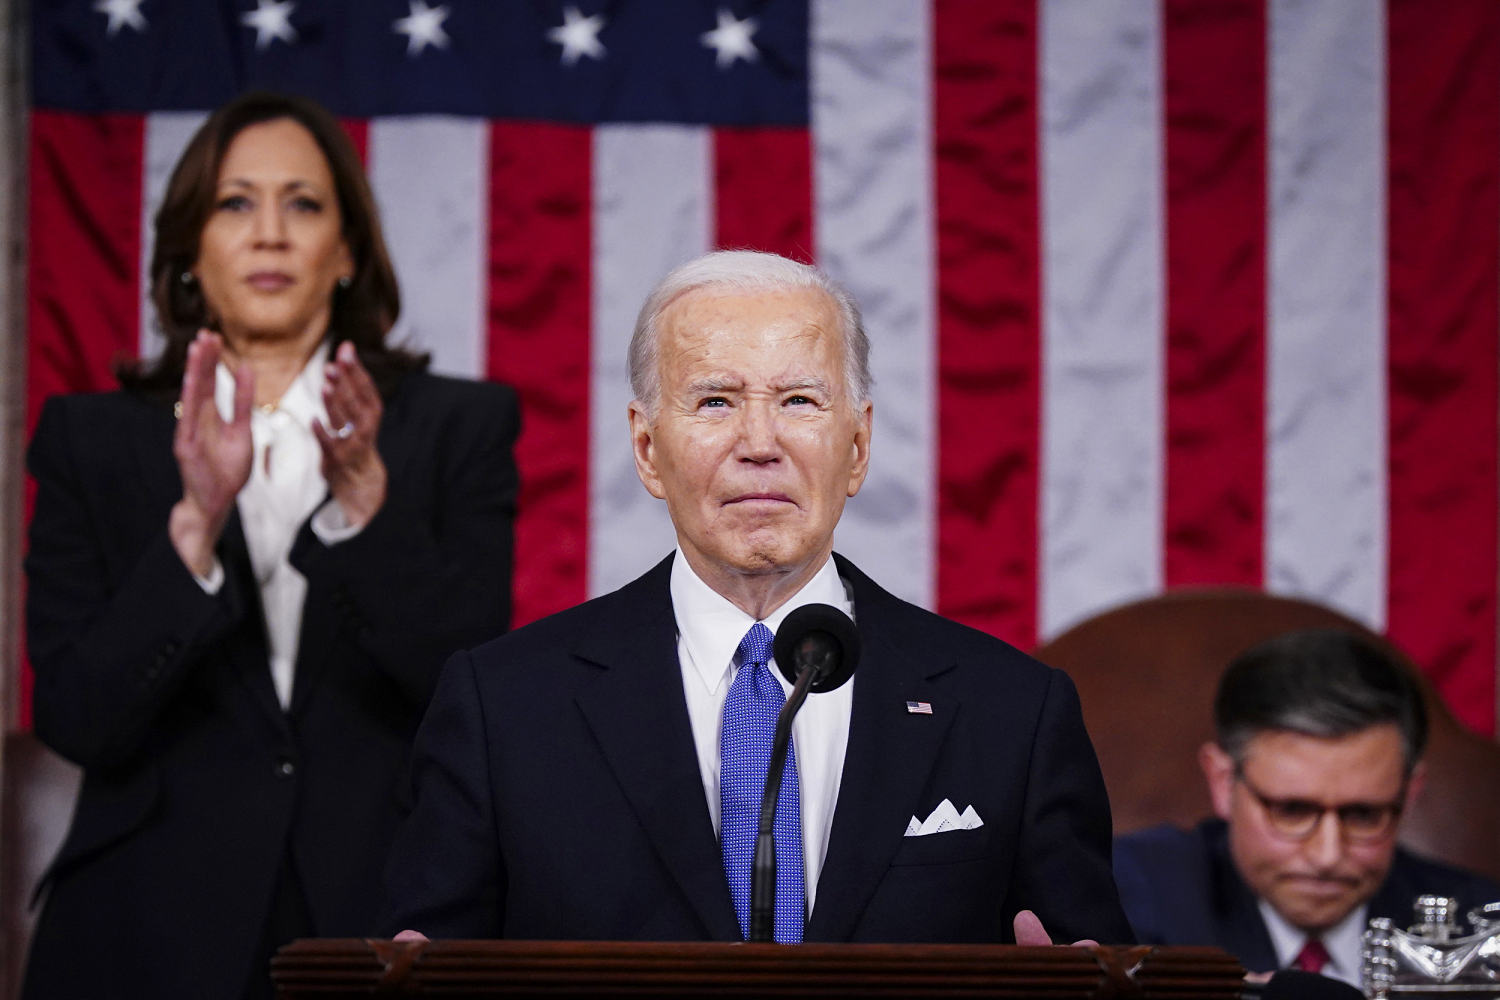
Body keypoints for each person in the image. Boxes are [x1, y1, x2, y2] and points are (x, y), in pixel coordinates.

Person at [380, 249, 1132, 946]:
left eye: (799, 400)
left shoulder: (1011, 713)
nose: (759, 442)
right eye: (715, 402)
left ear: (858, 448)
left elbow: (1093, 966)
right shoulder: (504, 708)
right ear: (647, 448)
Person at [23, 92, 518, 999]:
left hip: (380, 918)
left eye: (303, 203)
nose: (270, 233)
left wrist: (366, 507)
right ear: (189, 253)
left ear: (348, 251)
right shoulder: (88, 440)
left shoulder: (460, 426)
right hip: (140, 927)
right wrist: (193, 532)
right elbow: (77, 718)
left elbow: (473, 692)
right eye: (235, 202)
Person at [1113, 629, 1500, 989]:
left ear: (1409, 793)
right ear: (1222, 782)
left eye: (1364, 815)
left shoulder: (1481, 934)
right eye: (1292, 810)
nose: (1327, 856)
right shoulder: (1130, 903)